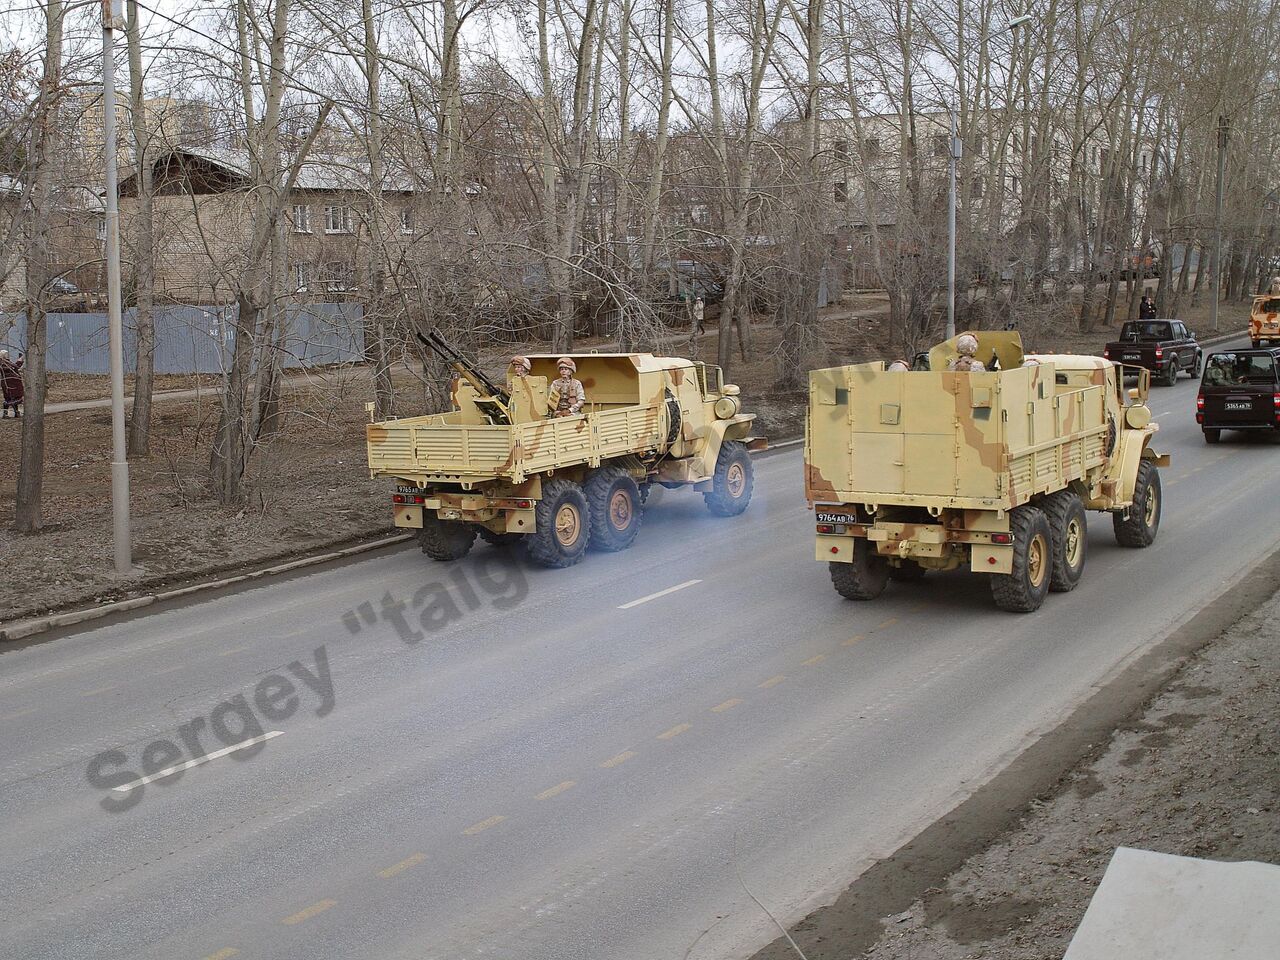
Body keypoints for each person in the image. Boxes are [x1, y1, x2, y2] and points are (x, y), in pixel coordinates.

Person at [0, 349, 23, 418]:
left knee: (14, 398)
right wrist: (20, 360)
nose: (7, 355)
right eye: (6, 354)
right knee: (8, 398)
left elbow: (15, 367)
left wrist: (19, 361)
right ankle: (5, 413)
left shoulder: (7, 362)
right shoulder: (2, 363)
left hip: (14, 383)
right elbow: (14, 367)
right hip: (8, 383)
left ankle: (16, 412)